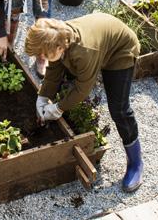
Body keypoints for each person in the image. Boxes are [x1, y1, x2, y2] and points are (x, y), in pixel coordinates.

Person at [25, 13, 143, 192]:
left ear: (59, 47)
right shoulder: (58, 40)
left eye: (44, 53)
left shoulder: (84, 52)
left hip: (121, 51)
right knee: (65, 72)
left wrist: (59, 108)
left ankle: (136, 163)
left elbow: (82, 89)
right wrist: (43, 96)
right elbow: (54, 71)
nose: (42, 57)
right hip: (100, 42)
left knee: (119, 109)